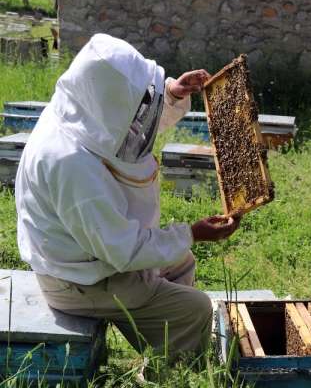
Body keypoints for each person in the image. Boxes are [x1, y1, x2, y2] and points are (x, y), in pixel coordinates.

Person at [15, 33, 240, 358]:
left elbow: (128, 126)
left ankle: (161, 338)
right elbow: (122, 250)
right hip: (79, 279)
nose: (141, 111)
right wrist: (193, 233)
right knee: (196, 309)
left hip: (90, 254)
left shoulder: (80, 110)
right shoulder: (70, 164)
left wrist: (173, 95)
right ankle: (167, 370)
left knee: (180, 261)